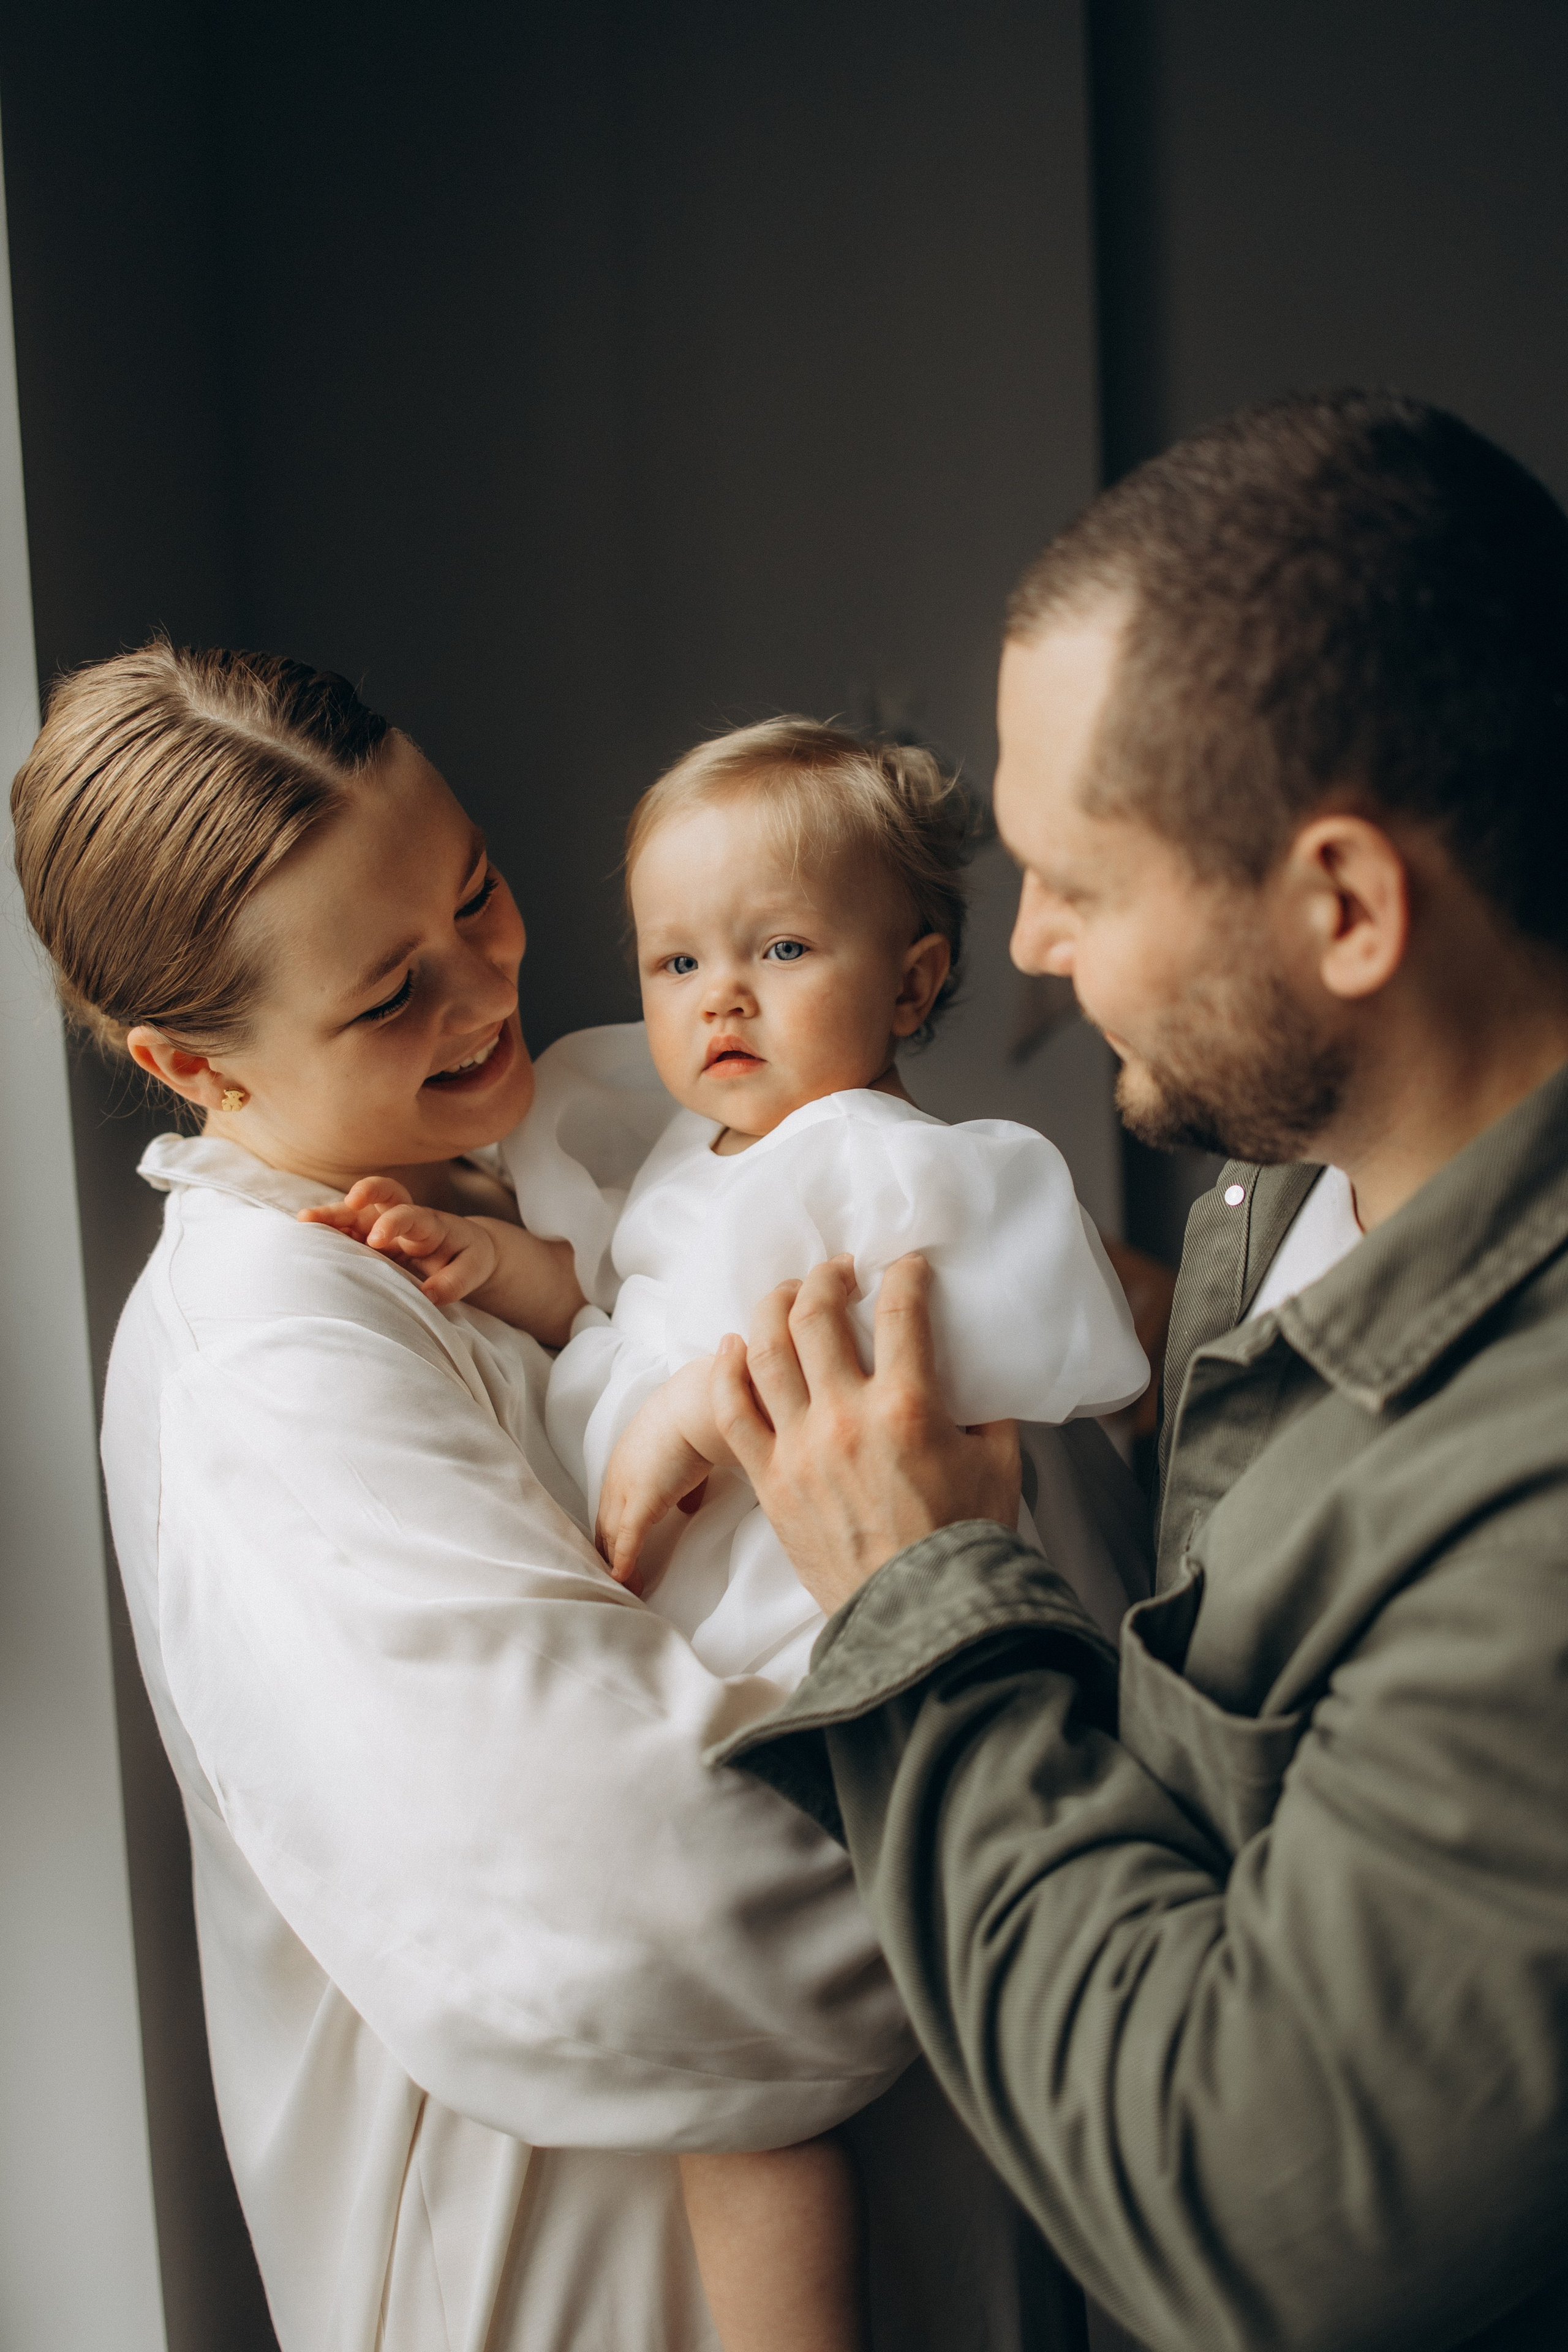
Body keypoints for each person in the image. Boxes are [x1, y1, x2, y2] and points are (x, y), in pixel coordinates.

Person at [10, 641, 1090, 2352]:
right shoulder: (264, 1358)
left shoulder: (591, 1129)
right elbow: (666, 1925)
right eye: (388, 995)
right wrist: (1057, 1793)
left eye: (479, 895)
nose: (482, 988)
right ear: (193, 1065)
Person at [697, 391, 1568, 2352]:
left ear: (1345, 907)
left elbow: (1256, 2211)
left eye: (1079, 880)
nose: (1033, 950)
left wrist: (915, 1594)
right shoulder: (1273, 1205)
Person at [309, 717, 1149, 2349]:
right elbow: (627, 1304)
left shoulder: (898, 1167)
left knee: (761, 2097)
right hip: (712, 1643)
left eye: (779, 948)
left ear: (911, 983)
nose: (722, 998)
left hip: (824, 1633)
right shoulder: (694, 1160)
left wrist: (703, 1412)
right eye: (677, 958)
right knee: (735, 2100)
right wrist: (504, 1277)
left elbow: (1036, 1333)